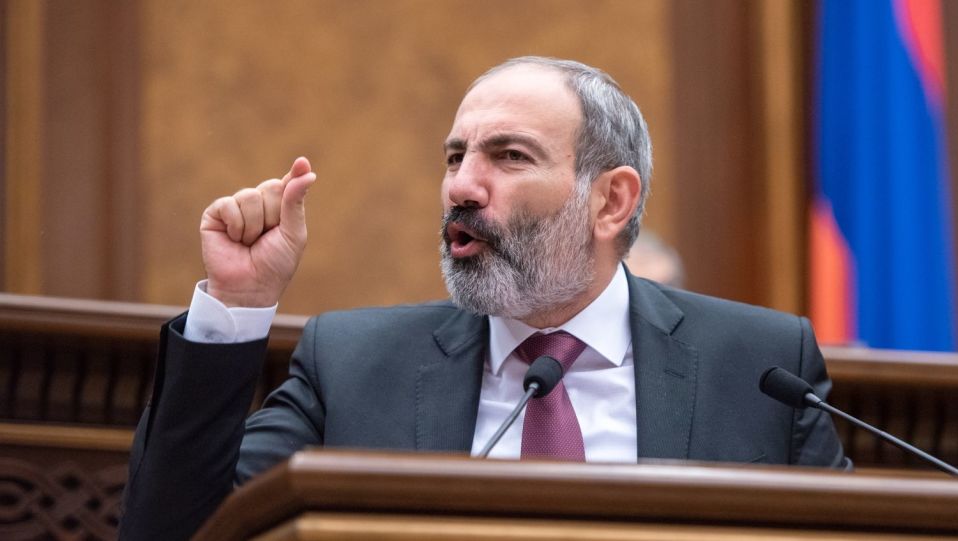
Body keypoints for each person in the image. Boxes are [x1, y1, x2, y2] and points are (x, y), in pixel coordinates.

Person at [119, 57, 849, 540]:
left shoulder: (758, 368)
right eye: (455, 156)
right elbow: (174, 531)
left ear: (611, 201)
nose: (462, 186)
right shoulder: (354, 364)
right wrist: (238, 304)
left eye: (509, 156)